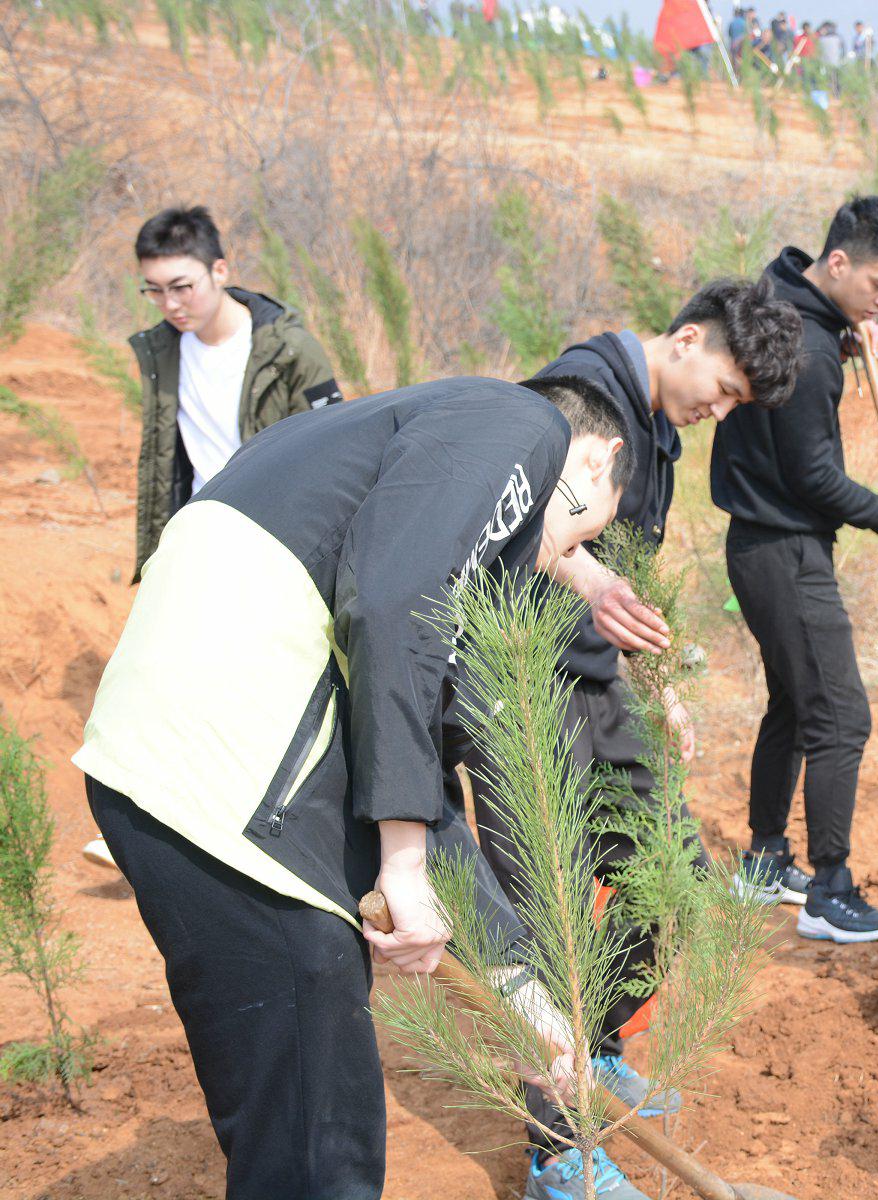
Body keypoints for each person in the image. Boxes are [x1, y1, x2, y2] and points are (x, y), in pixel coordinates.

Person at [75, 374, 634, 1199]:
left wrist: (523, 1000)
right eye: (579, 537)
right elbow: (393, 605)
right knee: (319, 1153)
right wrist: (402, 865)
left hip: (167, 776)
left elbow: (407, 778)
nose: (552, 563)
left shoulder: (361, 456)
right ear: (594, 464)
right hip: (243, 787)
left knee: (296, 1132)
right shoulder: (525, 425)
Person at [465, 280, 802, 1199]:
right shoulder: (575, 401)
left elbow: (631, 580)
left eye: (736, 403)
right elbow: (521, 522)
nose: (719, 410)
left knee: (666, 873)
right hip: (519, 682)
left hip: (596, 686)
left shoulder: (656, 430)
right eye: (724, 388)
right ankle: (559, 1153)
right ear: (686, 339)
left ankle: (603, 1045)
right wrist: (587, 586)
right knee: (552, 913)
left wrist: (664, 690)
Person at [711, 196, 878, 945]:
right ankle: (830, 892)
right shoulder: (805, 349)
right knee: (839, 716)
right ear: (837, 262)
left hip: (756, 543)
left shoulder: (781, 300)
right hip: (786, 548)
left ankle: (767, 859)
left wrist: (846, 332)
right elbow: (813, 475)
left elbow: (807, 324)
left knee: (795, 705)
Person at [129, 206, 340, 584]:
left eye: (181, 287)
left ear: (220, 271)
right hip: (196, 540)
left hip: (274, 547)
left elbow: (332, 456)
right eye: (155, 290)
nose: (170, 304)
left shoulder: (290, 349)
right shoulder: (161, 352)